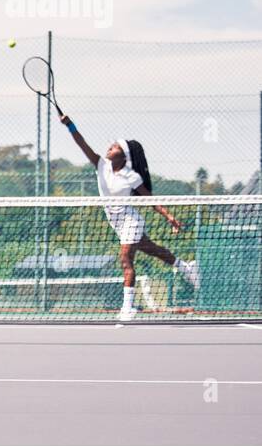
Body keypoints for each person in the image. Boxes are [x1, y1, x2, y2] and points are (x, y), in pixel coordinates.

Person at [60, 113, 199, 322]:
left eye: (115, 146)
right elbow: (82, 143)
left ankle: (128, 307)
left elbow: (148, 199)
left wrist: (169, 216)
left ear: (123, 156)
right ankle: (186, 266)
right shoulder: (101, 165)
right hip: (116, 222)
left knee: (125, 259)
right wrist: (70, 125)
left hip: (130, 221)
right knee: (152, 249)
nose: (110, 147)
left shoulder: (131, 177)